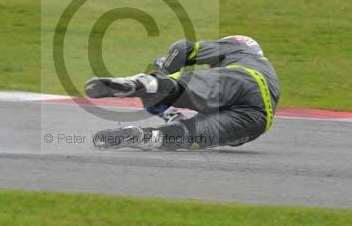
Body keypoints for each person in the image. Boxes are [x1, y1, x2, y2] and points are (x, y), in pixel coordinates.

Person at [85, 35, 280, 150]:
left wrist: (165, 71)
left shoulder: (239, 47)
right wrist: (172, 115)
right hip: (258, 121)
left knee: (171, 85)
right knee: (187, 135)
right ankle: (144, 136)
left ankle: (137, 83)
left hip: (242, 81)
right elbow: (235, 141)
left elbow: (183, 48)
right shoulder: (268, 73)